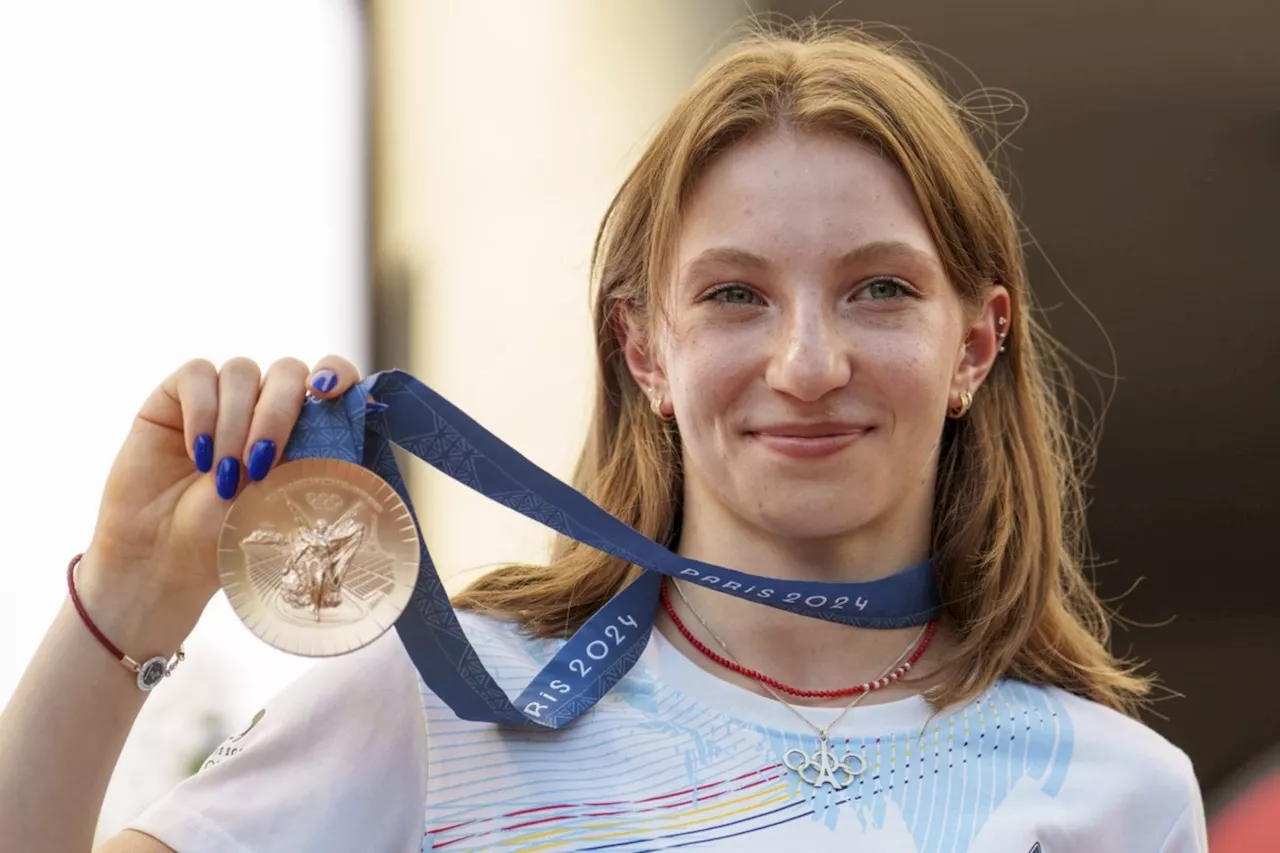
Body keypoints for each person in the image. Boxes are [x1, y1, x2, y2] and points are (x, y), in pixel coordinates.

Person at [0, 23, 1207, 853]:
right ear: (644, 352)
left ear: (976, 344)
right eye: (733, 294)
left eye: (877, 288)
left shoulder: (1116, 792)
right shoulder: (440, 707)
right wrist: (126, 597)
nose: (805, 363)